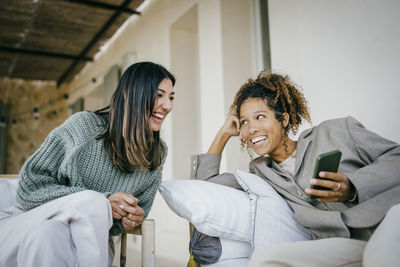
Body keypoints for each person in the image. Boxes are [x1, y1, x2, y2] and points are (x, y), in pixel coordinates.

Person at [190, 70, 400, 266]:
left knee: (381, 254)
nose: (251, 128)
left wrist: (354, 187)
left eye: (260, 117)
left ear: (284, 119)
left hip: (388, 219)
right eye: (244, 122)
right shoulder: (261, 173)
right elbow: (205, 187)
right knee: (266, 260)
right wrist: (223, 134)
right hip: (344, 243)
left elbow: (396, 158)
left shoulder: (335, 131)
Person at [0, 62, 175, 267]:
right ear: (128, 93)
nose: (167, 105)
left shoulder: (156, 153)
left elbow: (127, 218)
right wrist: (102, 202)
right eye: (159, 95)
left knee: (46, 237)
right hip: (30, 221)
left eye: (171, 97)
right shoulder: (85, 127)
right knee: (90, 204)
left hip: (81, 239)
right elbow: (29, 186)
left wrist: (128, 219)